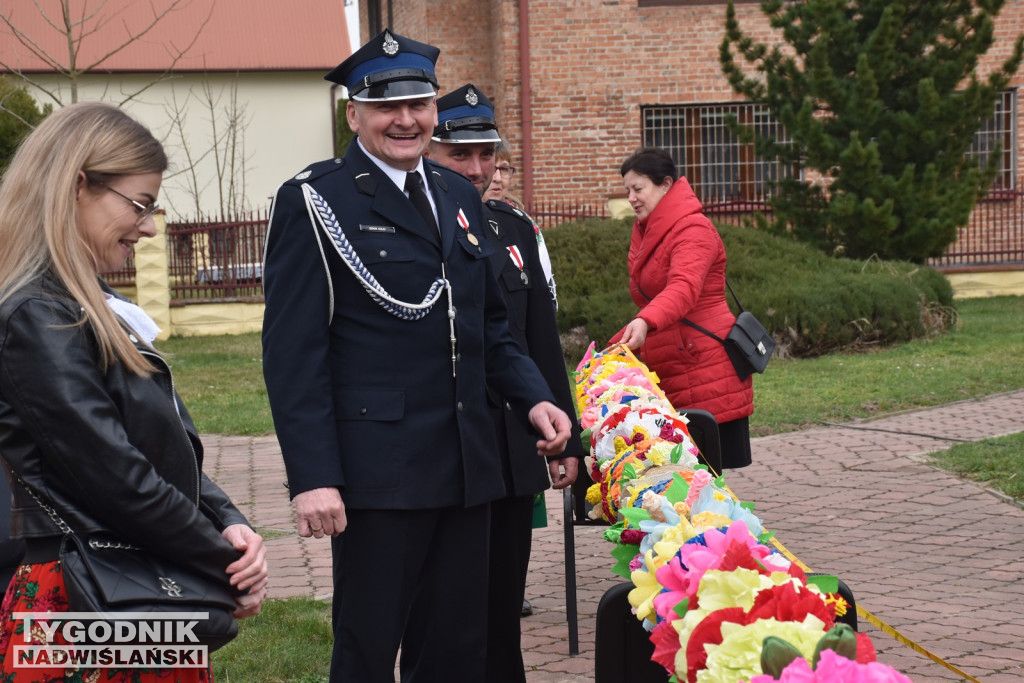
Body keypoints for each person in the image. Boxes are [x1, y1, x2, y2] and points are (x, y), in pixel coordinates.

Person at [261, 32, 573, 683]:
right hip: (381, 473)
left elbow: (490, 325)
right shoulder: (317, 200)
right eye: (386, 106)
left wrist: (535, 396)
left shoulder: (456, 195)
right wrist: (313, 475)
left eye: (418, 104)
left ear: (433, 110)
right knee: (369, 648)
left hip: (467, 467)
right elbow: (294, 354)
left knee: (457, 649)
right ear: (354, 114)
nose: (404, 119)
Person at [0, 101, 268, 681]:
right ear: (76, 186)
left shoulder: (87, 303)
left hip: (128, 582)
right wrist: (224, 564)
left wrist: (226, 519)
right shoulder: (38, 315)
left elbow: (158, 443)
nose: (148, 227)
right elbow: (113, 475)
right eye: (140, 205)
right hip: (82, 600)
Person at [426, 84, 583, 682]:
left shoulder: (515, 229)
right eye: (459, 155)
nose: (477, 169)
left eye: (486, 154)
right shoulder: (413, 229)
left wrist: (568, 441)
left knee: (501, 606)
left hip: (514, 446)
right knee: (445, 611)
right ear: (429, 151)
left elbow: (539, 340)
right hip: (444, 449)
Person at [609, 146, 754, 469]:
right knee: (683, 478)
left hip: (704, 366)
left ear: (665, 184)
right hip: (674, 364)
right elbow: (654, 301)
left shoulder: (693, 229)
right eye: (627, 190)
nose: (631, 198)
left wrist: (644, 321)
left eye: (638, 189)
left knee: (703, 478)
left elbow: (682, 288)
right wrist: (614, 347)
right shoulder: (650, 230)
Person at [484, 138, 559, 308]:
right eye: (491, 168)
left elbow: (543, 287)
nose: (497, 178)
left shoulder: (524, 224)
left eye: (503, 169)